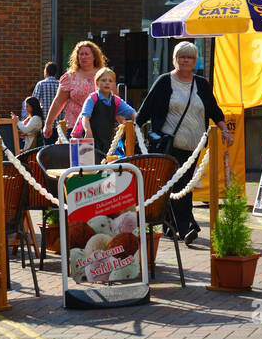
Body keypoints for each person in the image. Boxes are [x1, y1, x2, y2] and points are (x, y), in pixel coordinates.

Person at [134, 42, 230, 245]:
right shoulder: (164, 82)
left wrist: (224, 130)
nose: (185, 60)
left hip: (193, 148)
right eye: (181, 57)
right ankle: (187, 227)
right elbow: (145, 109)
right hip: (169, 145)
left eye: (190, 57)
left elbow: (214, 109)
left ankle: (172, 227)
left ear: (195, 61)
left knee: (182, 187)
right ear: (174, 59)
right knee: (177, 185)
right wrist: (131, 130)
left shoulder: (201, 84)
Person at [43, 41, 105, 139]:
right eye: (81, 54)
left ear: (94, 56)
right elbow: (58, 102)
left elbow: (115, 100)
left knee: (100, 154)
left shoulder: (104, 75)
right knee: (79, 154)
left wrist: (122, 122)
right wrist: (48, 123)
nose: (83, 57)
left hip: (100, 126)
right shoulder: (70, 77)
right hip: (76, 128)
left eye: (86, 54)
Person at [74, 68, 136, 154]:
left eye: (110, 81)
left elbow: (132, 113)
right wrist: (88, 132)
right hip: (89, 140)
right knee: (87, 165)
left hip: (106, 141)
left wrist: (135, 122)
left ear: (114, 84)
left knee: (106, 163)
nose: (107, 83)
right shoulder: (92, 98)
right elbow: (85, 117)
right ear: (97, 83)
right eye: (103, 80)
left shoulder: (116, 101)